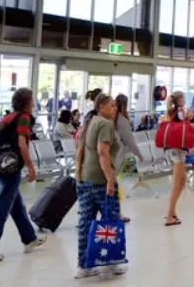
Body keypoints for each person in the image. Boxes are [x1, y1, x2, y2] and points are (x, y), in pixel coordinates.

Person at [0, 88, 46, 264]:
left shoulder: (6, 118)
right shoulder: (23, 118)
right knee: (1, 210)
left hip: (0, 167)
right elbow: (22, 144)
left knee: (16, 205)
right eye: (32, 101)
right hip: (11, 169)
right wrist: (31, 167)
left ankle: (29, 239)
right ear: (27, 102)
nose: (34, 104)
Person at [72, 93, 127, 278]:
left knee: (86, 222)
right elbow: (103, 153)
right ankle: (110, 262)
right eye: (112, 105)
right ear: (101, 106)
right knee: (110, 221)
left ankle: (84, 265)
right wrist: (110, 179)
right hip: (101, 182)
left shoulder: (89, 122)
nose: (115, 108)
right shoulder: (104, 124)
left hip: (84, 179)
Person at [161, 91, 194, 226]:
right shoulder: (180, 112)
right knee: (177, 184)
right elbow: (184, 128)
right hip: (177, 151)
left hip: (172, 150)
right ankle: (170, 215)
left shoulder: (171, 112)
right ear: (180, 100)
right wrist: (188, 118)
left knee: (182, 181)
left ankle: (173, 211)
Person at [113, 95, 144, 223]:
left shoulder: (112, 119)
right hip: (116, 157)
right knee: (114, 186)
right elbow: (129, 140)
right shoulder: (121, 120)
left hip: (112, 155)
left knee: (111, 185)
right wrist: (139, 155)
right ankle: (116, 214)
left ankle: (114, 213)